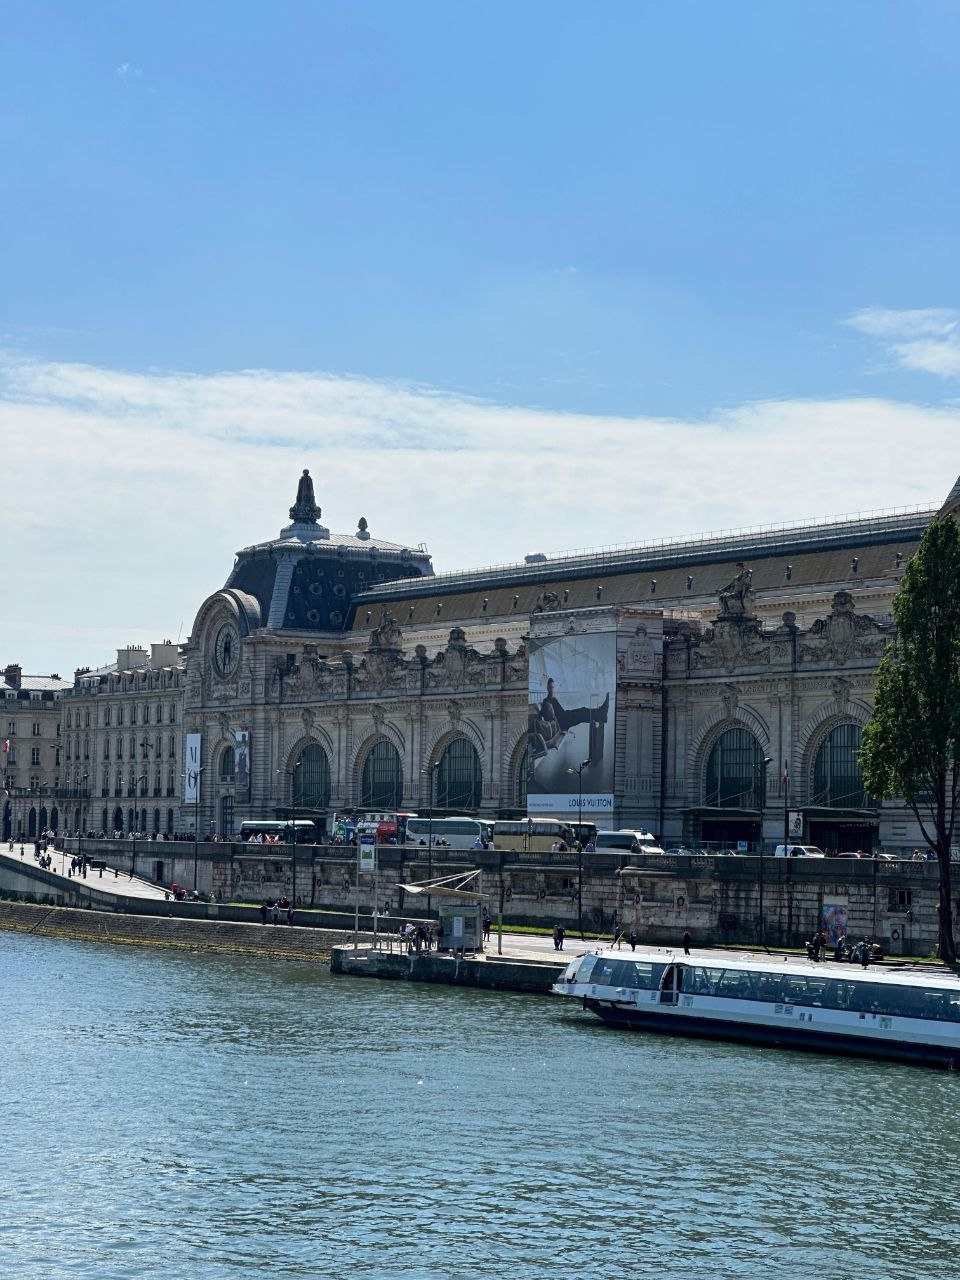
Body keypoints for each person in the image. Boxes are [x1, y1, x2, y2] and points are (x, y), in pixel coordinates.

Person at [539, 678, 609, 734]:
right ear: (547, 688)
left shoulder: (553, 699)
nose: (552, 690)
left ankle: (600, 712)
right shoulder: (546, 701)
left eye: (553, 687)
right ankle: (601, 714)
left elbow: (558, 712)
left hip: (565, 715)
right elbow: (546, 717)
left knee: (583, 709)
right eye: (550, 687)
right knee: (581, 715)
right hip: (563, 722)